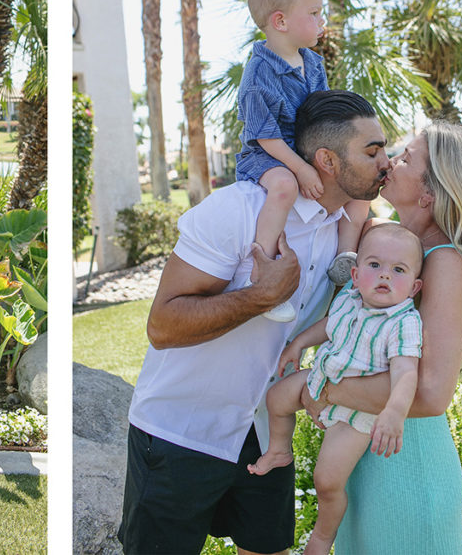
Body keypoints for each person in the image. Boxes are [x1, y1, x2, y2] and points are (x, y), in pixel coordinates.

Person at [118, 90, 390, 555]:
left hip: (268, 430)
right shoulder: (238, 211)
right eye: (372, 151)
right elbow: (162, 326)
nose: (387, 161)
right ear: (326, 160)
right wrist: (261, 295)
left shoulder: (352, 236)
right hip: (180, 432)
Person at [302, 122, 462, 555]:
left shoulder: (443, 262)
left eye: (406, 158)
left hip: (407, 470)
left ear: (429, 195)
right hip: (365, 459)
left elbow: (434, 394)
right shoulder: (394, 244)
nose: (390, 161)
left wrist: (321, 385)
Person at [249, 223, 425, 555]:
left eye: (398, 270)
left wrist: (394, 412)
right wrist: (298, 343)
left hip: (356, 413)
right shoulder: (349, 297)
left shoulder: (404, 323)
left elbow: (406, 373)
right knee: (276, 398)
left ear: (414, 287)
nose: (384, 276)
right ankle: (279, 449)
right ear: (356, 275)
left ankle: (321, 538)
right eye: (375, 265)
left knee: (327, 481)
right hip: (321, 376)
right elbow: (328, 327)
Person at [236, 0, 367, 321]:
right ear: (280, 22)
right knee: (283, 186)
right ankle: (264, 276)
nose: (322, 21)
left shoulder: (313, 63)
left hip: (304, 152)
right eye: (314, 13)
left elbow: (321, 116)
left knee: (358, 183)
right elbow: (265, 136)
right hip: (269, 155)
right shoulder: (259, 72)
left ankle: (345, 257)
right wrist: (300, 169)